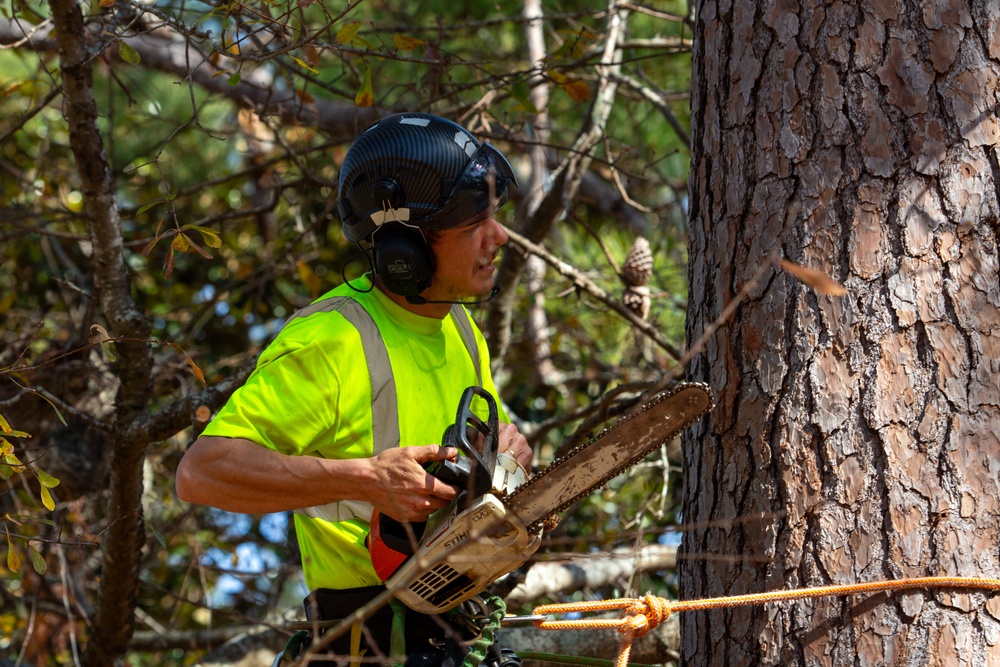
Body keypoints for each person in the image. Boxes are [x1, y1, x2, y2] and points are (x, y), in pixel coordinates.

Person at [176, 112, 532, 666]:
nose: (499, 236)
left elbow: (477, 445)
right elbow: (202, 472)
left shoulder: (461, 328)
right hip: (366, 640)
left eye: (493, 217)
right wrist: (365, 479)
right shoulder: (332, 340)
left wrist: (505, 454)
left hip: (457, 630)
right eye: (471, 227)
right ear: (402, 251)